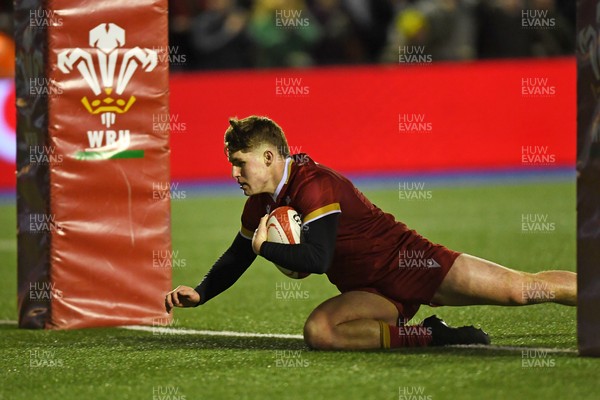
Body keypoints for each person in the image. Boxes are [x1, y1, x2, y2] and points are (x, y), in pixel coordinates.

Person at [165, 115, 576, 350]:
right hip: (369, 290)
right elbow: (240, 253)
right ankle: (431, 336)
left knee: (522, 291)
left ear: (270, 156)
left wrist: (268, 249)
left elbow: (318, 260)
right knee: (320, 332)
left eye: (240, 163)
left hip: (413, 264)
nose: (234, 174)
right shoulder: (261, 201)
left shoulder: (314, 184)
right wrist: (201, 292)